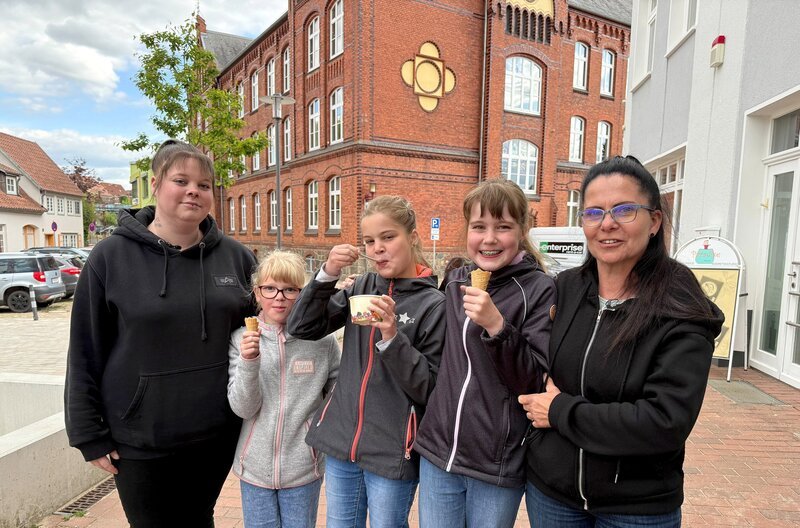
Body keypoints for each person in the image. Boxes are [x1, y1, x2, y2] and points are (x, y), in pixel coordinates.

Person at [519, 156, 723, 527]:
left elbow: (665, 421)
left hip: (635, 508)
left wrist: (561, 411)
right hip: (552, 495)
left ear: (654, 221)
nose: (607, 223)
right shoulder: (565, 290)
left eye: (624, 210)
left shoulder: (681, 305)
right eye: (593, 212)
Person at [64, 139, 257, 527]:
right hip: (139, 438)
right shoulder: (110, 257)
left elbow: (268, 329)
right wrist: (88, 433)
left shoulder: (236, 257)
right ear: (155, 184)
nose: (193, 191)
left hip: (215, 433)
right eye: (181, 181)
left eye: (204, 185)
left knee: (199, 518)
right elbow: (85, 348)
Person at [287, 195, 446, 528]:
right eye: (369, 241)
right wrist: (327, 273)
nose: (378, 249)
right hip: (342, 441)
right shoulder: (362, 286)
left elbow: (429, 388)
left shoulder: (433, 304)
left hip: (392, 449)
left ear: (413, 237)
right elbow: (302, 327)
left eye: (388, 237)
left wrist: (392, 338)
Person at [413, 179, 556, 527]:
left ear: (522, 230)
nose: (489, 239)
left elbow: (533, 381)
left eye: (503, 227)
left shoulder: (539, 289)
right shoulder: (456, 281)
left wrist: (497, 327)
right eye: (479, 227)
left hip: (496, 464)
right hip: (438, 453)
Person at [228, 250, 340, 528]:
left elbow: (338, 396)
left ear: (303, 295)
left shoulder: (322, 342)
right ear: (257, 293)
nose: (279, 297)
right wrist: (249, 362)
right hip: (254, 469)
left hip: (304, 468)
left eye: (290, 289)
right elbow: (243, 408)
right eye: (270, 288)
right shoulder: (241, 339)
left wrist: (315, 436)